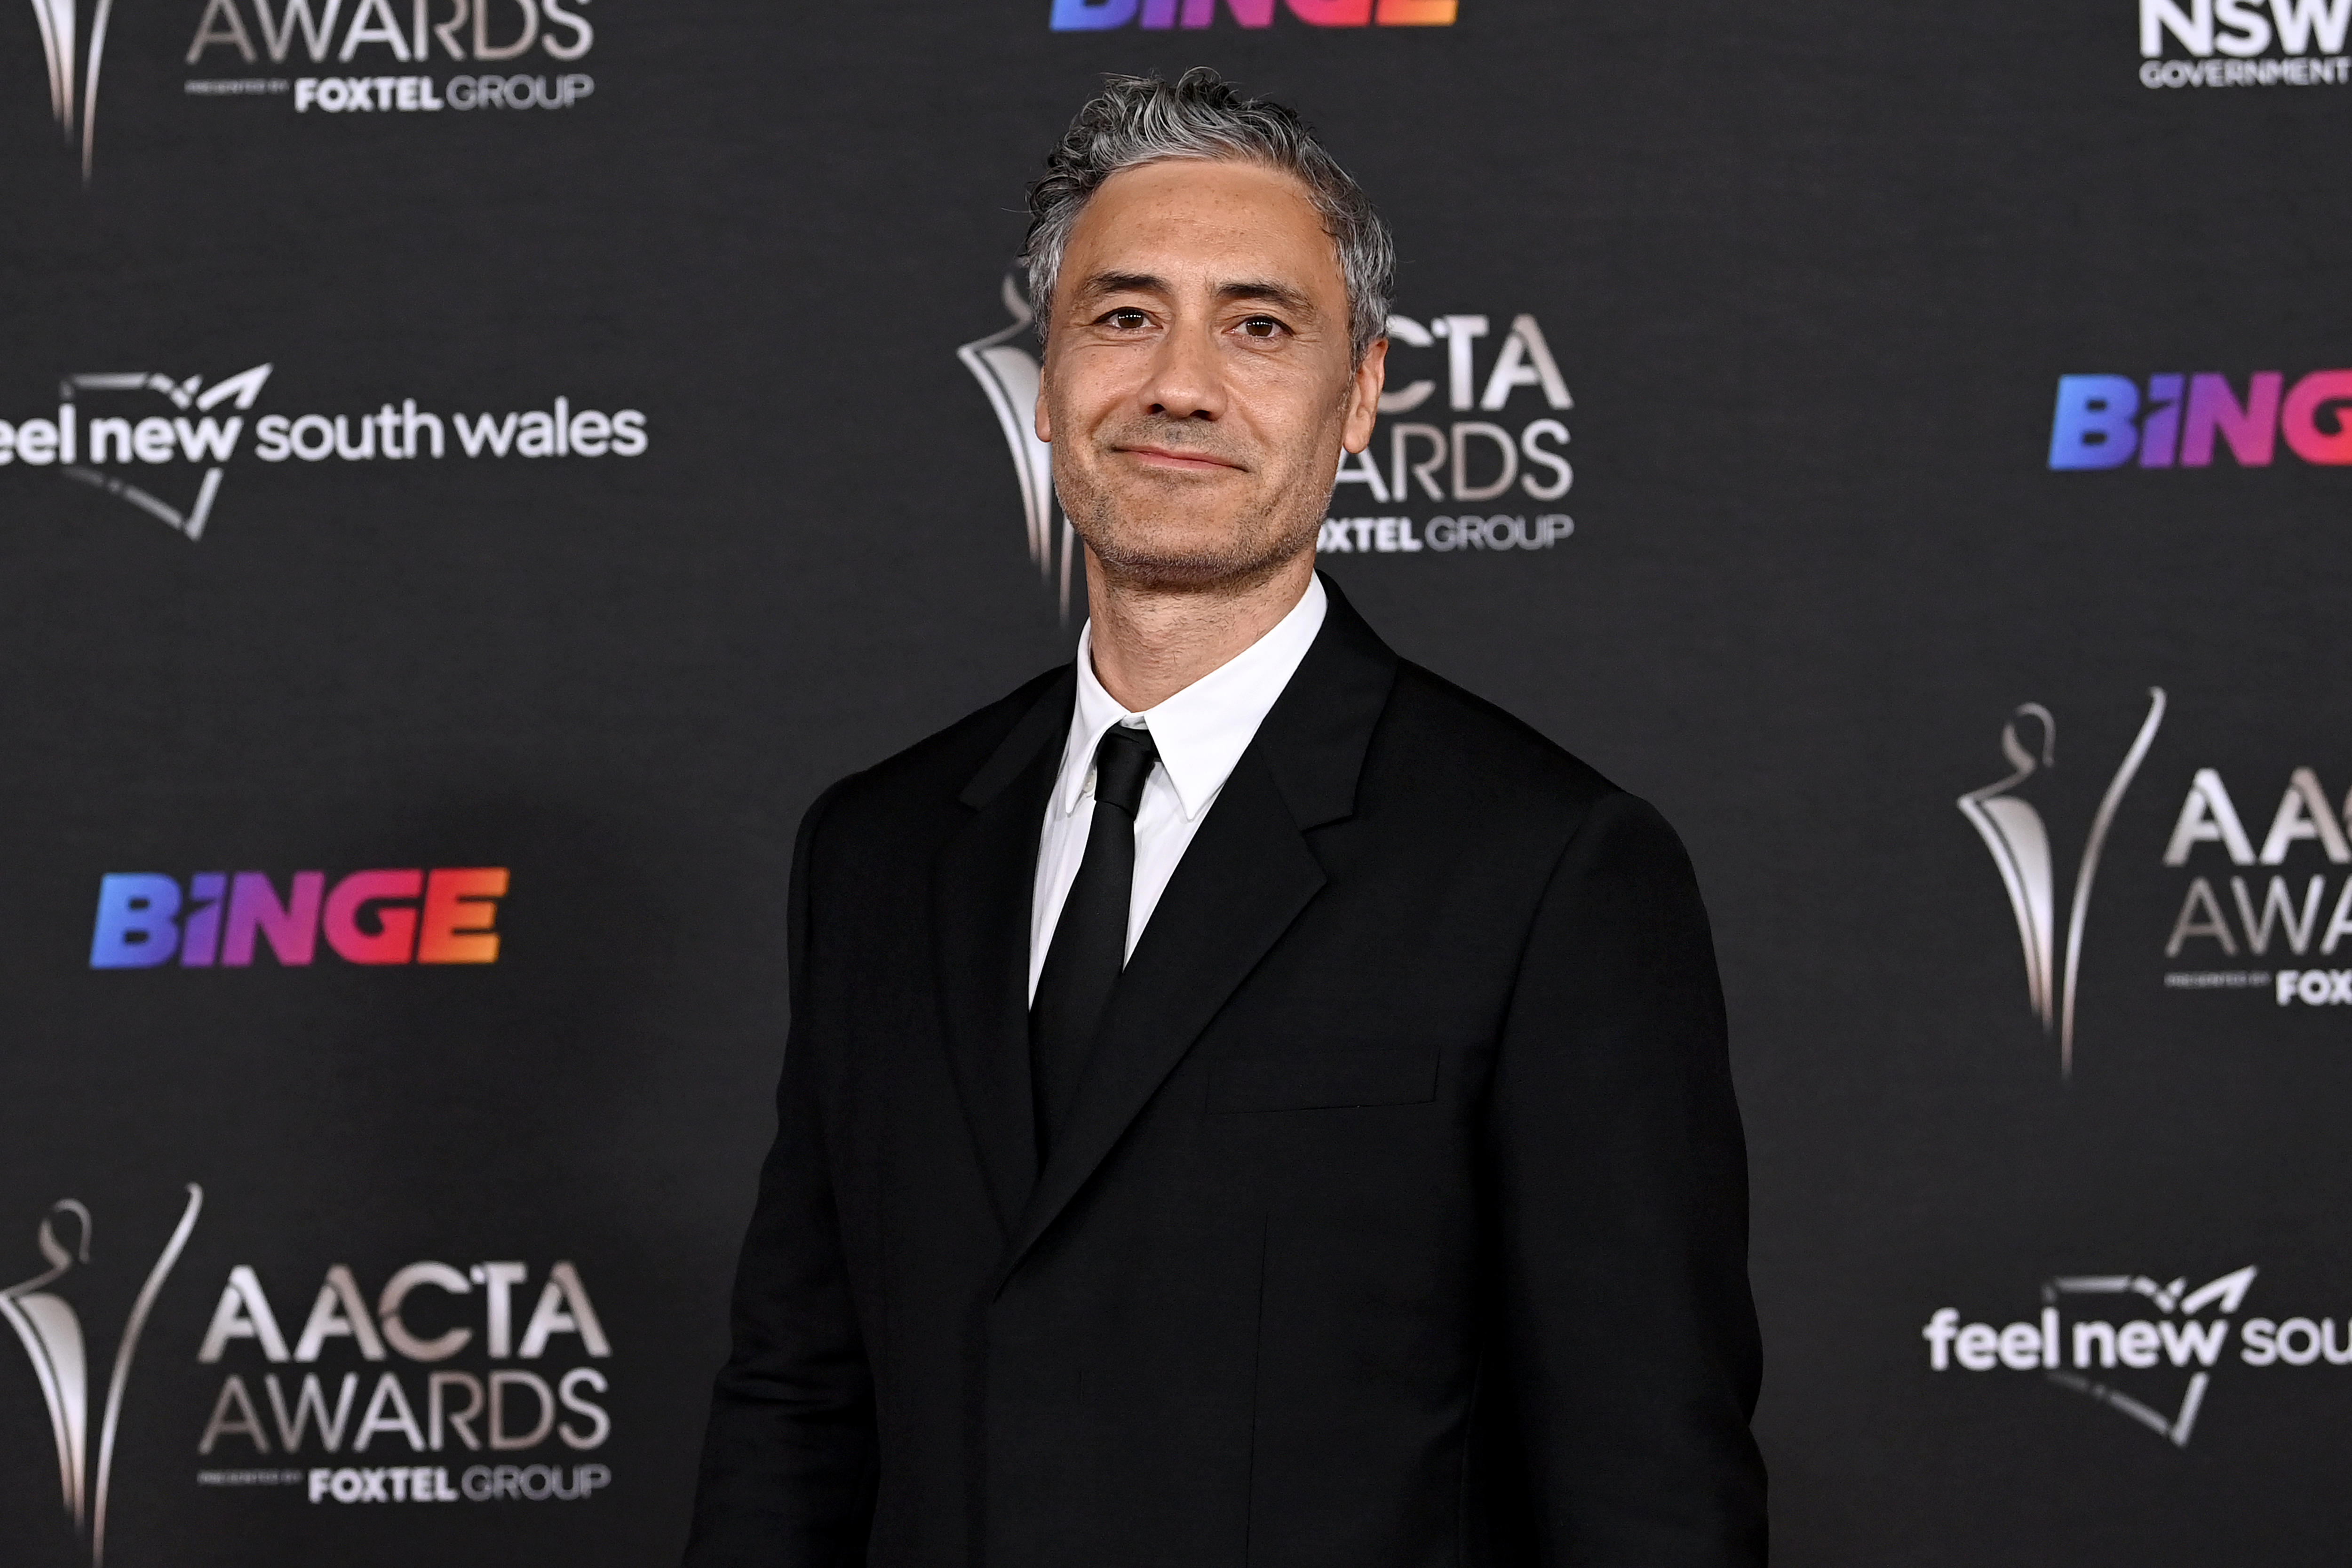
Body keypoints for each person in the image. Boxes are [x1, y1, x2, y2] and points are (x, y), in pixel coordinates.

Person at [685, 68, 1765, 1568]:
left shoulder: (1547, 867)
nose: (1180, 382)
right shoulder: (877, 849)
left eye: (1259, 327)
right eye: (1124, 317)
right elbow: (800, 1404)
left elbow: (1645, 1485)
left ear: (1362, 398)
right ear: (1046, 383)